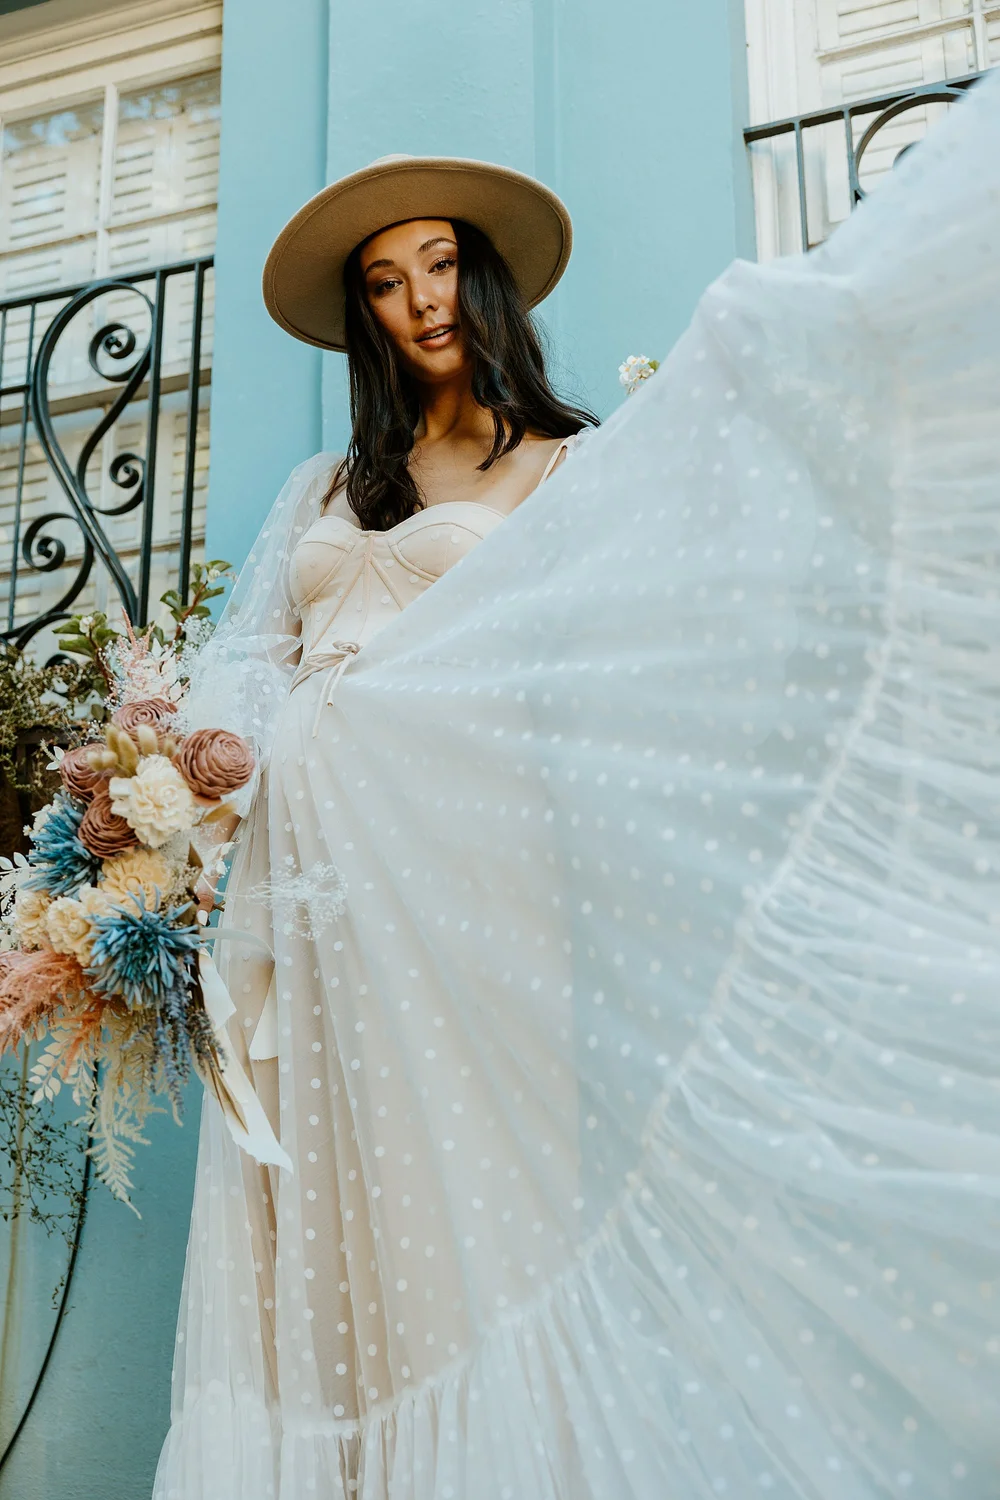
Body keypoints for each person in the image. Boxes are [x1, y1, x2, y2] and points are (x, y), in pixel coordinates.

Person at [155, 83, 1000, 1500]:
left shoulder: (574, 469)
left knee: (461, 1213)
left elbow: (599, 680)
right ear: (363, 318)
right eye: (384, 281)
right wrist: (210, 749)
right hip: (301, 898)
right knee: (316, 1215)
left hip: (467, 882)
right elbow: (245, 670)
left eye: (438, 264)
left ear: (479, 279)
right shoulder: (322, 488)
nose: (419, 300)